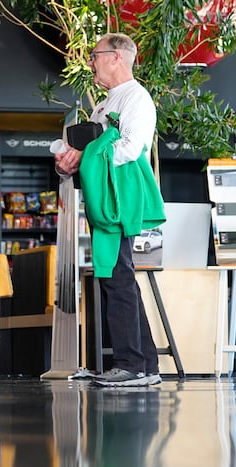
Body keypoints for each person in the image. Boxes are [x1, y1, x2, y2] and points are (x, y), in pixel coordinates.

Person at [55, 33, 165, 388]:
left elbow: (130, 149)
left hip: (121, 199)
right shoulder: (103, 105)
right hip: (105, 199)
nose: (91, 62)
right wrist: (69, 161)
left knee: (117, 276)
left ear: (116, 57)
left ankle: (130, 364)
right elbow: (95, 151)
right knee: (118, 277)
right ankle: (145, 365)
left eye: (95, 55)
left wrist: (86, 155)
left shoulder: (136, 98)